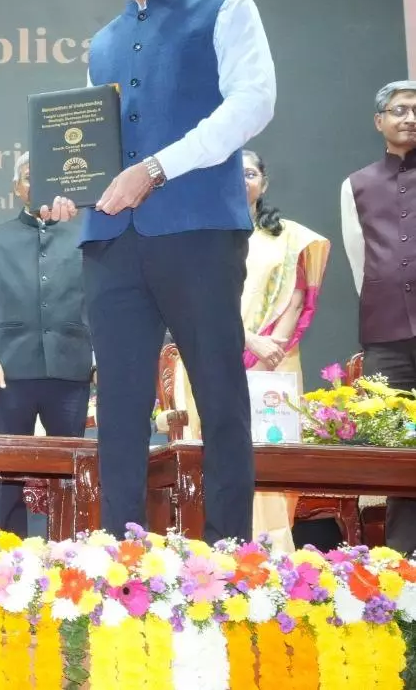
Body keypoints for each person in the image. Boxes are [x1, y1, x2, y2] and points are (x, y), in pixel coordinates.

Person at [40, 0, 276, 543]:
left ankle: (230, 555)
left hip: (199, 230)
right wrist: (70, 190)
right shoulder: (103, 43)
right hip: (111, 240)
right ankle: (123, 556)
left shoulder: (226, 7)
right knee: (118, 407)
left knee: (219, 397)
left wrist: (158, 167)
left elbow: (254, 102)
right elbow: (97, 151)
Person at [167, 150, 330, 552]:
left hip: (275, 360)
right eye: (233, 173)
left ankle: (274, 551)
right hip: (211, 354)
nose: (242, 181)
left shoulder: (287, 237)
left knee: (269, 448)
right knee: (217, 448)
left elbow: (296, 296)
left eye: (251, 174)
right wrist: (247, 340)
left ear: (264, 182)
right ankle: (217, 548)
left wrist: (270, 348)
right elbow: (194, 299)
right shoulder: (198, 233)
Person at [0, 151, 93, 537]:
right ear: (16, 188)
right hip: (12, 369)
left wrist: (98, 358)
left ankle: (70, 549)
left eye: (44, 176)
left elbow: (99, 301)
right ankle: (7, 550)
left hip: (70, 367)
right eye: (27, 177)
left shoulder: (84, 233)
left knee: (70, 470)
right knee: (9, 470)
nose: (35, 184)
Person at [340, 79, 416, 556]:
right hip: (386, 334)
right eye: (400, 110)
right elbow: (359, 262)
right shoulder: (357, 184)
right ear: (379, 121)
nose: (410, 118)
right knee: (396, 448)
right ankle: (404, 558)